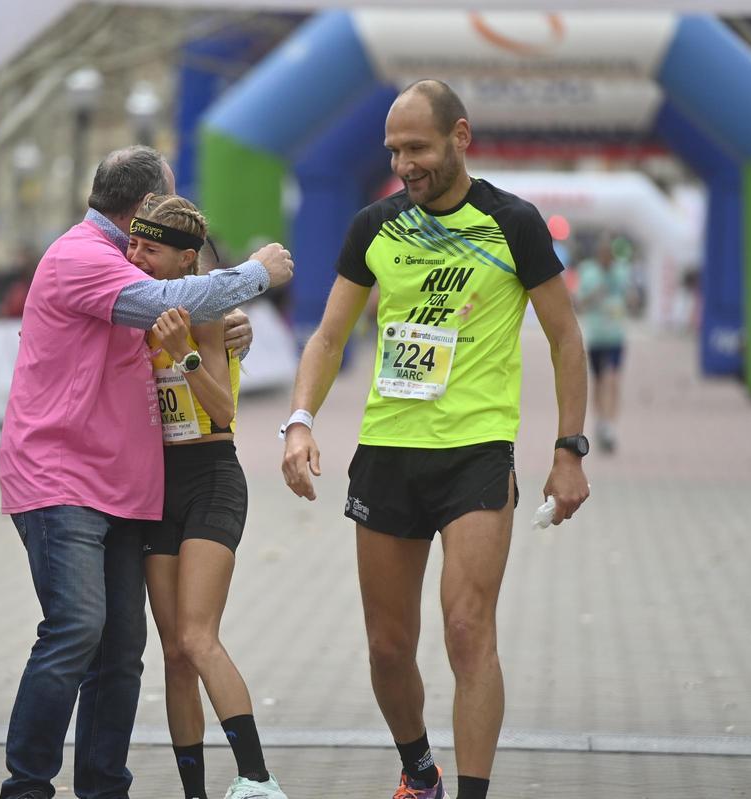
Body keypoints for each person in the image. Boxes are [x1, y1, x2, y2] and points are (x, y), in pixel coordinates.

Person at [280, 80, 589, 799]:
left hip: (476, 451)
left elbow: (566, 338)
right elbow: (328, 337)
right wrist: (300, 419)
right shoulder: (375, 227)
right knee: (389, 647)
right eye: (394, 150)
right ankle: (419, 770)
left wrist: (568, 448)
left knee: (464, 626)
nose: (405, 163)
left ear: (461, 136)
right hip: (387, 450)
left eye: (417, 147)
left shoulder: (512, 223)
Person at [0, 145, 293, 799]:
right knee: (78, 626)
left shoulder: (119, 263)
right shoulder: (86, 258)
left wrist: (219, 331)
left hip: (130, 486)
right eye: (158, 204)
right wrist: (255, 274)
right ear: (140, 211)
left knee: (125, 645)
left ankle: (105, 785)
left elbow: (181, 322)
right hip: (61, 475)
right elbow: (164, 297)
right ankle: (27, 785)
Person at [128, 195, 287, 799]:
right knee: (172, 653)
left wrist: (183, 352)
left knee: (198, 636)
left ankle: (256, 778)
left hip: (212, 477)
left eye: (151, 249)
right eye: (134, 245)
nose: (136, 257)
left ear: (186, 259)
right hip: (156, 484)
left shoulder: (207, 311)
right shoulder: (132, 309)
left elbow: (223, 411)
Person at [572, 234, 636, 453]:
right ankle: (600, 420)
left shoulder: (622, 271)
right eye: (603, 255)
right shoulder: (588, 271)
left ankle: (610, 424)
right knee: (599, 381)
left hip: (616, 336)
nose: (607, 259)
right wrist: (594, 294)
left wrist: (630, 299)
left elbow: (632, 299)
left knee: (613, 379)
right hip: (597, 336)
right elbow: (579, 302)